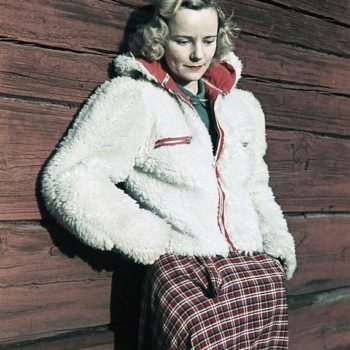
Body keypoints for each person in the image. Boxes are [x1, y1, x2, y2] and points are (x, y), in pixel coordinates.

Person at [41, 0, 297, 348]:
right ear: (160, 39)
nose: (197, 54)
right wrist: (146, 236)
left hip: (256, 279)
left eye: (208, 40)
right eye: (183, 41)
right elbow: (69, 178)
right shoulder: (135, 98)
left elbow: (255, 185)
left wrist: (276, 245)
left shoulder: (243, 106)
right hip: (186, 279)